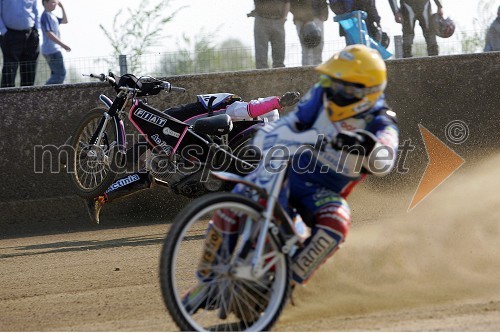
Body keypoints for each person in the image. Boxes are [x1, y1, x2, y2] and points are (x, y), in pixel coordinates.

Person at [184, 44, 399, 307]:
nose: (331, 88)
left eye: (340, 84)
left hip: (323, 194)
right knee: (242, 197)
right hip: (290, 171)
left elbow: (385, 160)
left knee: (337, 224)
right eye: (331, 80)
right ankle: (208, 276)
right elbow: (295, 121)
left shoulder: (382, 122)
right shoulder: (321, 94)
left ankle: (286, 286)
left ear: (364, 90)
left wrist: (367, 146)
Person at [85, 91, 301, 224]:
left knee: (148, 173)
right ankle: (110, 168)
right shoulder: (239, 107)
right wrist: (279, 102)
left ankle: (101, 196)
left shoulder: (243, 125)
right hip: (182, 123)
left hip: (190, 134)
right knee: (148, 151)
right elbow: (254, 109)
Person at [0, 0, 40, 88]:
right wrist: (4, 31)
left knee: (29, 71)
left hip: (31, 35)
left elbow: (35, 10)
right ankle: (6, 100)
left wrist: (36, 30)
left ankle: (27, 100)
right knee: (9, 71)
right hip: (10, 35)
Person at [248, 0, 290, 69]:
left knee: (279, 55)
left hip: (278, 20)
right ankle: (262, 78)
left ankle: (279, 77)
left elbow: (287, 2)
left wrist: (284, 18)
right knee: (261, 56)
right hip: (262, 19)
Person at [290, 0, 329, 66]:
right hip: (302, 20)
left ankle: (317, 70)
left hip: (318, 17)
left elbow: (323, 2)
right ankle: (306, 71)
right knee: (306, 46)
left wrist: (324, 14)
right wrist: (305, 18)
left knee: (319, 45)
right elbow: (292, 4)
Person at [41, 0, 70, 85]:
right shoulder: (45, 16)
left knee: (55, 74)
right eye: (53, 2)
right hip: (52, 49)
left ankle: (51, 95)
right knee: (60, 74)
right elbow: (49, 33)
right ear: (45, 3)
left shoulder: (52, 16)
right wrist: (63, 45)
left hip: (52, 49)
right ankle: (44, 92)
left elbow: (65, 20)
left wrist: (62, 7)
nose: (55, 4)